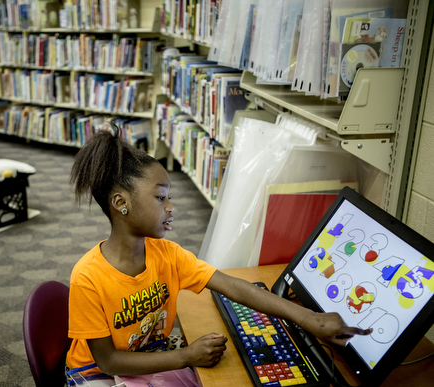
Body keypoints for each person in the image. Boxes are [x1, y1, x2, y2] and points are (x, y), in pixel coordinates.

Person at [65, 125, 372, 385]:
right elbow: (108, 362)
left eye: (169, 197)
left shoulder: (167, 254)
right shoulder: (88, 276)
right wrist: (185, 356)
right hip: (94, 373)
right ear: (121, 203)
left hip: (147, 353)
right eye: (161, 198)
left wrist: (311, 319)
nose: (171, 207)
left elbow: (232, 285)